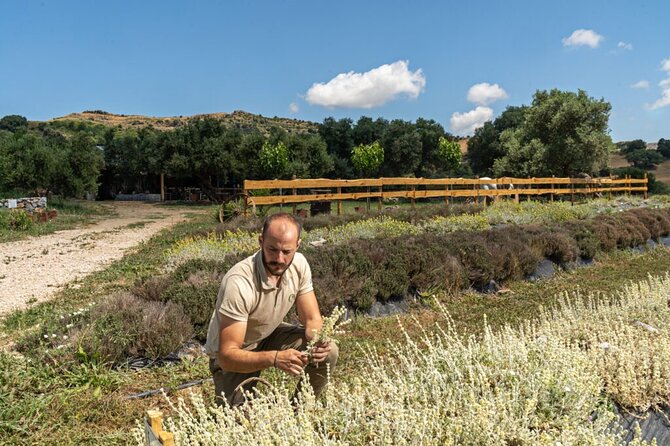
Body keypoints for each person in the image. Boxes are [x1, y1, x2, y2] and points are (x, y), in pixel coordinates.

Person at [205, 212, 338, 407]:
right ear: (260, 241)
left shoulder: (299, 264)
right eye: (272, 249)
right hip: (237, 350)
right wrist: (274, 358)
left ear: (298, 246)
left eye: (287, 251)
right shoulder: (240, 283)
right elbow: (227, 356)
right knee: (238, 425)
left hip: (268, 333)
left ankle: (301, 409)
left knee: (329, 352)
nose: (279, 259)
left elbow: (312, 319)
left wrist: (317, 339)